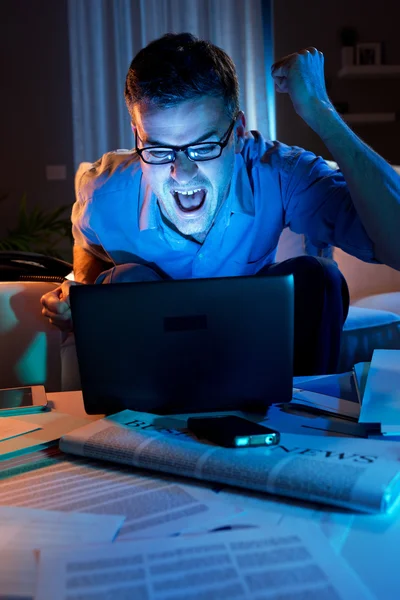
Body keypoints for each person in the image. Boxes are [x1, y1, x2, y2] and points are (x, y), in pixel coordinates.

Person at [41, 32, 400, 380]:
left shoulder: (279, 173)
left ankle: (295, 425)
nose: (182, 174)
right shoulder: (106, 192)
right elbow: (86, 239)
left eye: (203, 147)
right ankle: (135, 432)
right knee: (130, 278)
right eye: (160, 150)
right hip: (156, 354)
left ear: (239, 130)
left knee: (319, 278)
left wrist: (321, 111)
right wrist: (80, 291)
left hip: (249, 339)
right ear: (137, 136)